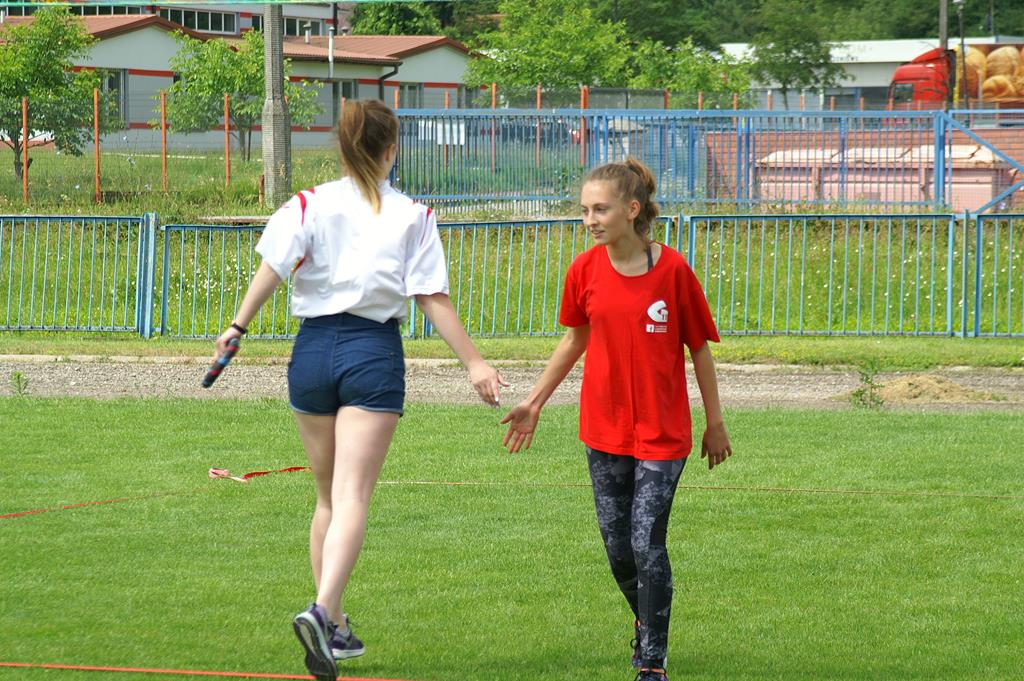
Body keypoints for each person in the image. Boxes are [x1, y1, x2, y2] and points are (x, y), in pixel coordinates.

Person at [213, 100, 506, 681]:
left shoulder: (307, 204)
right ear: (392, 149)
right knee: (351, 497)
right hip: (372, 352)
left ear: (343, 147)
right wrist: (474, 362)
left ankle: (337, 625)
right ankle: (323, 610)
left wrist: (237, 327)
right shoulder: (413, 215)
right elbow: (431, 297)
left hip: (312, 352)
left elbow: (273, 268)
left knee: (326, 498)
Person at [500, 159, 732, 681]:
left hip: (663, 435)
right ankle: (646, 618)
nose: (590, 220)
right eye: (584, 210)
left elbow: (699, 348)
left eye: (600, 209)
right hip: (604, 432)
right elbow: (574, 339)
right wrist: (534, 402)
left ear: (631, 209)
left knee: (647, 542)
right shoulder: (583, 271)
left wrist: (715, 422)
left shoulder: (673, 271)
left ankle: (652, 661)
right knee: (619, 553)